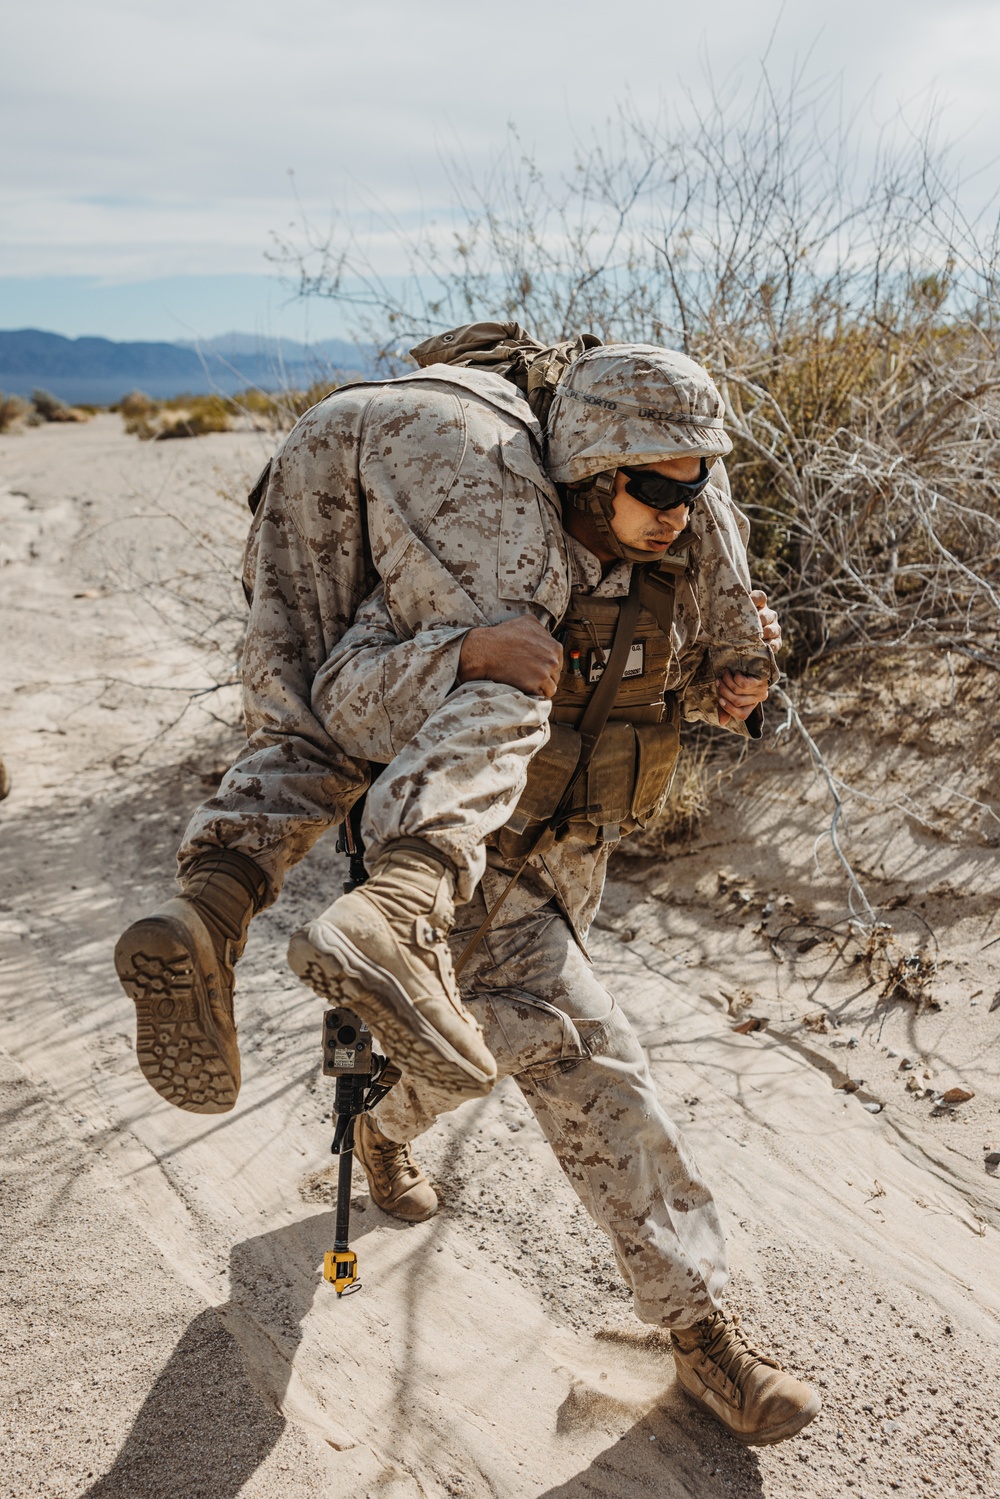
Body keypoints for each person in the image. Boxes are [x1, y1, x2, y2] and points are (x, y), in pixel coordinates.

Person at [116, 335, 818, 1446]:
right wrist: (464, 661)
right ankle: (706, 1335)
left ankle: (381, 1128)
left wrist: (729, 687)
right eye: (652, 486)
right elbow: (338, 697)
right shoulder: (473, 553)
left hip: (574, 849)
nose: (678, 507)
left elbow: (681, 682)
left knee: (475, 1046)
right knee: (588, 1056)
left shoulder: (673, 555)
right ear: (589, 471)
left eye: (693, 486)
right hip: (467, 853)